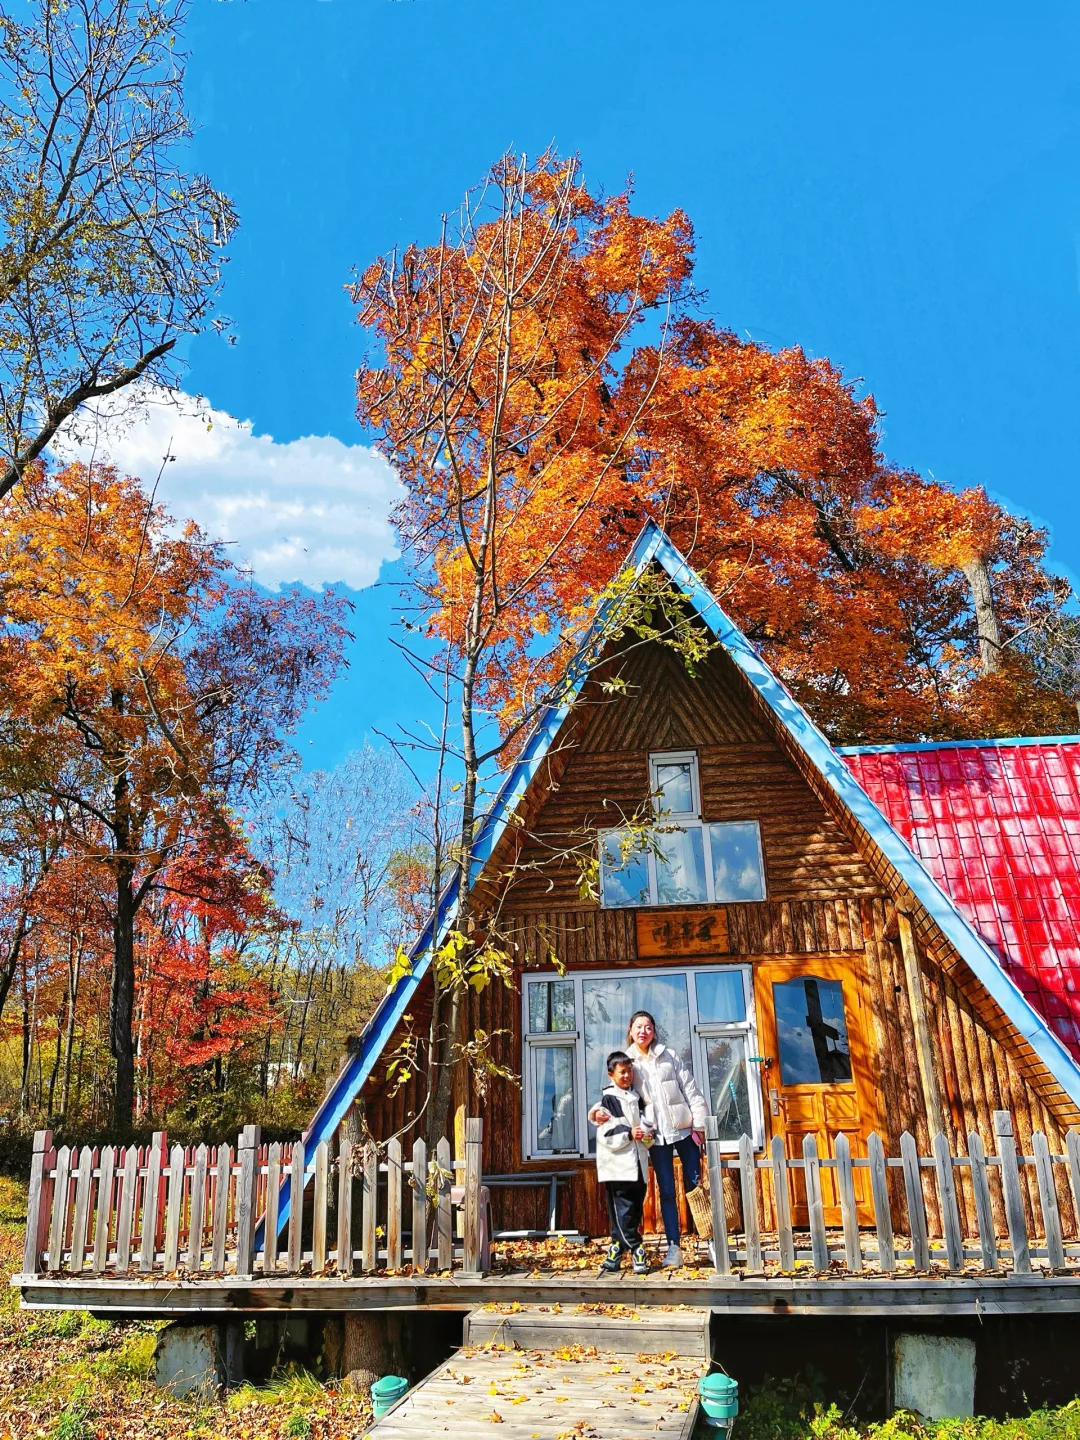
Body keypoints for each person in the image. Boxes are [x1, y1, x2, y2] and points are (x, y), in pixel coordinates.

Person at [590, 1009, 707, 1268]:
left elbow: (691, 1089)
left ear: (654, 1031)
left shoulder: (670, 1056)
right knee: (666, 1191)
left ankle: (710, 1241)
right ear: (630, 1031)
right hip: (656, 1137)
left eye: (648, 1027)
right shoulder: (627, 1061)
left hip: (683, 1130)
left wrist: (699, 1125)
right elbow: (614, 1092)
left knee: (695, 1186)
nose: (644, 1031)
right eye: (638, 1027)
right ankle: (674, 1248)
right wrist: (597, 1111)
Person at [594, 1049, 653, 1274]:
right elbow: (607, 1133)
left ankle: (616, 1249)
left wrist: (647, 1134)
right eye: (622, 1072)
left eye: (629, 1071)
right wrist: (630, 1134)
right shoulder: (609, 1099)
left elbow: (646, 1127)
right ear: (611, 1075)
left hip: (637, 1162)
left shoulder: (637, 1098)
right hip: (619, 1165)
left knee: (634, 1208)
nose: (627, 1076)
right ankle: (637, 1249)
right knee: (623, 1209)